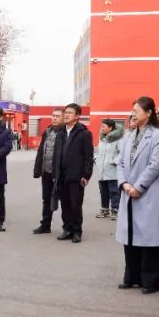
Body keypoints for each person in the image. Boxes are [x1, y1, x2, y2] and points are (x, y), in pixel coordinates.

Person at [116, 97, 159, 293]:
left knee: (149, 238)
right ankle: (132, 277)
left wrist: (138, 186)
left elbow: (155, 165)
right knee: (130, 237)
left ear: (149, 113)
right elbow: (120, 162)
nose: (134, 113)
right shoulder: (129, 135)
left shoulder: (157, 136)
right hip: (128, 191)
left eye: (137, 110)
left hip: (148, 193)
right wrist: (124, 184)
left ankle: (150, 281)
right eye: (133, 110)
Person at [56, 103, 94, 243]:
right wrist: (55, 173)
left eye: (70, 113)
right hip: (61, 175)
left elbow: (88, 156)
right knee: (65, 204)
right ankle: (67, 229)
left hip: (76, 176)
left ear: (77, 116)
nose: (66, 115)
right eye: (65, 112)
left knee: (75, 205)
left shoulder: (84, 133)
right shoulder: (60, 133)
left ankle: (77, 231)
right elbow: (56, 155)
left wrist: (86, 175)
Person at [32, 109, 64, 234]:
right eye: (53, 116)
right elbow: (41, 151)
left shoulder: (65, 133)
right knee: (46, 200)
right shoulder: (47, 131)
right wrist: (37, 169)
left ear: (63, 118)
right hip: (46, 172)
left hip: (60, 174)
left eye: (58, 116)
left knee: (65, 202)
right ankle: (45, 225)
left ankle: (68, 227)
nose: (54, 118)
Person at [95, 119, 123, 220]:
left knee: (114, 191)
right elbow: (98, 151)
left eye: (104, 126)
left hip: (112, 170)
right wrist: (96, 159)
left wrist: (114, 162)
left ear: (110, 128)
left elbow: (122, 153)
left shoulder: (118, 139)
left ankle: (115, 210)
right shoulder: (102, 139)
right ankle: (105, 209)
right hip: (102, 170)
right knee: (103, 191)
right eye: (101, 126)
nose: (101, 128)